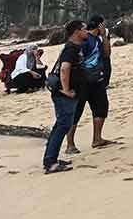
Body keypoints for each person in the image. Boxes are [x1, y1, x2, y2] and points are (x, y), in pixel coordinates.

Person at [65, 14, 117, 154]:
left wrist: (105, 36)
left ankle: (97, 138)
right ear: (100, 25)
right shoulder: (84, 40)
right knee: (76, 112)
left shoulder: (97, 39)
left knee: (101, 108)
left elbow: (106, 54)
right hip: (82, 81)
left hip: (97, 80)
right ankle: (70, 144)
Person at [43, 20, 88, 174]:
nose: (86, 31)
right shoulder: (71, 49)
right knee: (62, 125)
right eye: (84, 29)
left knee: (61, 125)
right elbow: (64, 69)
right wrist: (66, 90)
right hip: (63, 95)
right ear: (76, 31)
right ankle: (50, 162)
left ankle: (51, 158)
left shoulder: (75, 48)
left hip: (67, 93)